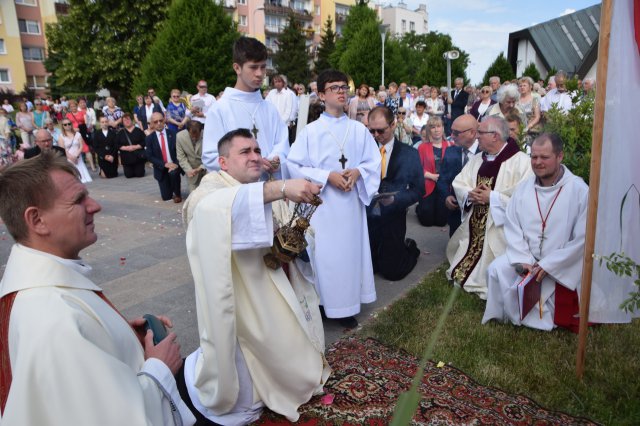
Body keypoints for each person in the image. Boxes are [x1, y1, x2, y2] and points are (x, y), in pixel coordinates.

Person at [0, 151, 195, 425]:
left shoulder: (36, 285)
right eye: (78, 200)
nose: (95, 206)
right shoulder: (53, 318)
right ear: (37, 221)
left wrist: (117, 336)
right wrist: (159, 369)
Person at [180, 128, 330, 424]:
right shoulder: (208, 190)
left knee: (288, 344)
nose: (255, 157)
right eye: (245, 152)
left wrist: (293, 237)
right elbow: (213, 211)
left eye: (257, 151)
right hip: (241, 296)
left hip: (278, 284)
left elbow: (293, 226)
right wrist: (282, 188)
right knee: (249, 358)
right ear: (223, 162)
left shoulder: (264, 186)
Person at [287, 69, 381, 328]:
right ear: (321, 94)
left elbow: (373, 161)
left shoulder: (358, 129)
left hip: (349, 207)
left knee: (347, 256)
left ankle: (345, 306)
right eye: (335, 88)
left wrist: (358, 172)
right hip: (323, 208)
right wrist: (327, 175)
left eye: (344, 87)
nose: (342, 92)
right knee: (324, 257)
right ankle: (322, 304)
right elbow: (293, 165)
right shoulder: (310, 132)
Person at [482, 133, 588, 332]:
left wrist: (548, 264)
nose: (538, 162)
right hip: (527, 259)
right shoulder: (523, 189)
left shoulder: (579, 191)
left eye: (544, 157)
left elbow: (583, 239)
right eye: (534, 157)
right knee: (496, 269)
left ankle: (536, 317)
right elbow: (513, 226)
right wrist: (524, 259)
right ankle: (504, 316)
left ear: (560, 156)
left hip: (561, 263)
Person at [446, 116, 532, 299]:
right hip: (475, 222)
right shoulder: (478, 159)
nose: (476, 137)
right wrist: (470, 195)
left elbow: (525, 200)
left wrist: (491, 197)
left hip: (501, 228)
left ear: (494, 135)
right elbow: (460, 182)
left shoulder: (521, 162)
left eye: (481, 133)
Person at [203, 38, 289, 178]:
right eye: (253, 67)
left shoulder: (269, 108)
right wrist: (254, 163)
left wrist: (275, 159)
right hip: (238, 191)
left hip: (271, 187)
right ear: (237, 68)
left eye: (263, 67)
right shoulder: (220, 109)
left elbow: (282, 144)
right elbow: (211, 156)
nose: (260, 73)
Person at [366, 106, 424, 281]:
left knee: (393, 272)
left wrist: (396, 199)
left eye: (380, 130)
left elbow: (419, 190)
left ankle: (410, 248)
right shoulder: (363, 152)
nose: (376, 135)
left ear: (393, 125)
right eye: (372, 130)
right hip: (367, 217)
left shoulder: (410, 154)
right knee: (370, 268)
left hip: (393, 216)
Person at [442, 115, 480, 236]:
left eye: (456, 133)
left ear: (472, 133)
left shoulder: (485, 152)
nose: (452, 136)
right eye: (451, 132)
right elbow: (442, 179)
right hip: (455, 213)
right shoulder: (450, 151)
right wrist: (447, 196)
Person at [415, 116, 453, 227]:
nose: (436, 130)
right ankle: (419, 208)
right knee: (427, 222)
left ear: (443, 128)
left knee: (441, 223)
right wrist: (431, 176)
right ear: (429, 130)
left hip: (445, 186)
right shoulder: (422, 147)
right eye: (432, 127)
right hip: (428, 184)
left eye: (438, 126)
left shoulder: (451, 145)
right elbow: (417, 168)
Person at [145, 112, 182, 203]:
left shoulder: (173, 134)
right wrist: (165, 164)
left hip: (174, 165)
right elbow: (149, 156)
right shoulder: (149, 138)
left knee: (173, 174)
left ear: (164, 120)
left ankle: (177, 193)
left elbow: (180, 152)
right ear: (152, 123)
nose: (159, 123)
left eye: (161, 120)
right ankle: (169, 189)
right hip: (161, 168)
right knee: (166, 197)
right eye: (156, 121)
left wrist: (175, 164)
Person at [265, 74, 298, 144]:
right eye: (275, 82)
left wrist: (280, 122)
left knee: (284, 145)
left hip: (284, 125)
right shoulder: (271, 93)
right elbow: (266, 106)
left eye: (279, 82)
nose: (277, 83)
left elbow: (288, 111)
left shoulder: (288, 94)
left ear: (283, 83)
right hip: (272, 124)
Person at [59, 118, 92, 183]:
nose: (67, 125)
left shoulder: (78, 134)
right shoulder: (61, 136)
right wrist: (71, 157)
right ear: (62, 126)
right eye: (65, 124)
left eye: (69, 124)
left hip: (78, 155)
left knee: (83, 177)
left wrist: (76, 156)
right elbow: (62, 149)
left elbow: (81, 146)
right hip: (68, 157)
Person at [176, 121, 206, 192]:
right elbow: (181, 157)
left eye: (197, 135)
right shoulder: (179, 136)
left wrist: (201, 168)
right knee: (194, 196)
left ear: (201, 130)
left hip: (207, 170)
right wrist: (189, 170)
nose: (194, 138)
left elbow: (212, 156)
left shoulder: (207, 135)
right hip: (192, 172)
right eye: (192, 135)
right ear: (187, 131)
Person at [117, 113, 147, 178]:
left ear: (131, 120)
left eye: (128, 119)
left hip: (138, 157)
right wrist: (125, 148)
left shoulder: (139, 131)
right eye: (125, 120)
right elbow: (117, 144)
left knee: (139, 174)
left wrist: (136, 147)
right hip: (127, 158)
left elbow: (145, 141)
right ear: (123, 123)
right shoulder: (120, 133)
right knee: (128, 175)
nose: (127, 121)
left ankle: (140, 168)